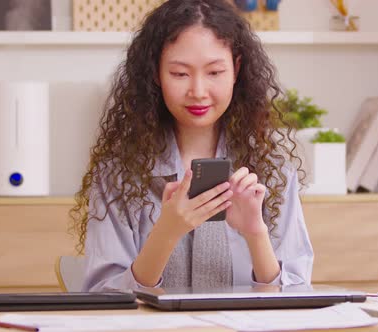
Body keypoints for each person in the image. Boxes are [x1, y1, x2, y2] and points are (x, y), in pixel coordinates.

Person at [71, 0, 313, 291]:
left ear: (236, 70)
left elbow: (297, 296)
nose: (198, 92)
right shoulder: (119, 175)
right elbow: (102, 297)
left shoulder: (272, 171)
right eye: (180, 74)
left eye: (214, 72)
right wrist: (166, 232)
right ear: (156, 74)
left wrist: (255, 233)